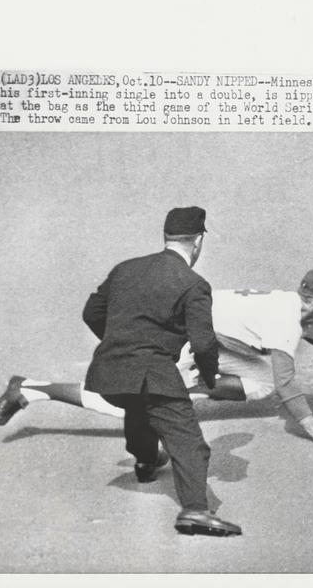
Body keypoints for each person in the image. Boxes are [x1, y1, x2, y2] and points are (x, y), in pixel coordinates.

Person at [0, 267, 313, 448]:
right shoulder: (284, 319)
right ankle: (30, 389)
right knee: (124, 408)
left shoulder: (295, 308)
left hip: (207, 334)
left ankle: (192, 382)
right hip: (176, 334)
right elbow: (287, 382)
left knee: (258, 382)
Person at [79, 206, 240, 537]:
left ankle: (145, 462)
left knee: (140, 408)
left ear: (167, 237)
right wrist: (210, 379)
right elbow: (204, 344)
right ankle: (195, 510)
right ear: (197, 242)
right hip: (152, 371)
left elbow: (92, 312)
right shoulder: (194, 283)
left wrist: (119, 343)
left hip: (108, 373)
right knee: (189, 442)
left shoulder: (125, 269)